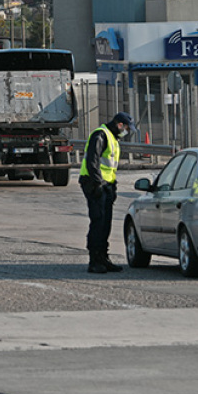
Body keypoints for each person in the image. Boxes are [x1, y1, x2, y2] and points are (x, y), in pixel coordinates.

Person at [79, 111, 133, 274]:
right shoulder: (101, 135)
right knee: (98, 222)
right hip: (94, 184)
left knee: (106, 223)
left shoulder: (112, 137)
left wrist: (112, 185)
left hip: (106, 185)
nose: (127, 132)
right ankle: (94, 260)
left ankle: (103, 257)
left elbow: (109, 167)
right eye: (126, 129)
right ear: (119, 125)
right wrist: (97, 185)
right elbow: (92, 162)